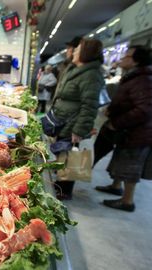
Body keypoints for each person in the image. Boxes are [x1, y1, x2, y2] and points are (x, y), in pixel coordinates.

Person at [95, 45, 152, 212]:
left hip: (141, 132)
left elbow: (145, 109)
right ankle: (115, 186)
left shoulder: (145, 79)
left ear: (136, 60)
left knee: (131, 166)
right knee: (121, 160)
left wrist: (117, 122)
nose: (121, 59)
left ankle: (127, 201)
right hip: (132, 130)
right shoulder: (138, 76)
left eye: (126, 56)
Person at [52, 39, 105, 200]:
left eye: (78, 49)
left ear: (86, 53)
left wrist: (79, 130)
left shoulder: (91, 75)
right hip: (64, 121)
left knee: (70, 156)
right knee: (63, 153)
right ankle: (60, 184)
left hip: (73, 123)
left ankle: (65, 190)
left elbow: (90, 106)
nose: (74, 51)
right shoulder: (76, 69)